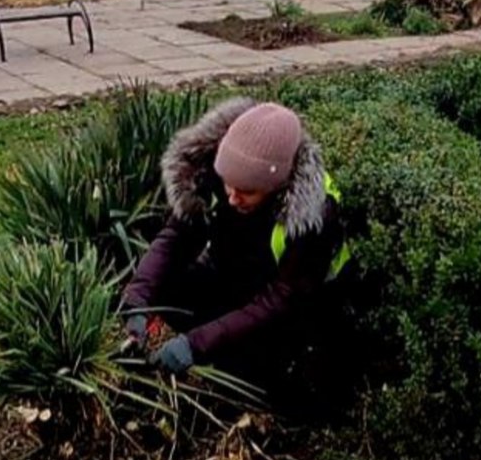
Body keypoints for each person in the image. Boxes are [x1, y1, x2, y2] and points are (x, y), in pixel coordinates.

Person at [122, 98, 349, 390]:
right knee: (166, 294)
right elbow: (176, 238)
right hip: (235, 276)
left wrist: (196, 344)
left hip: (298, 312)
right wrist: (137, 299)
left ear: (275, 186)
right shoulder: (219, 169)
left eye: (246, 192)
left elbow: (280, 300)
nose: (231, 197)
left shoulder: (313, 218)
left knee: (256, 375)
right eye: (228, 184)